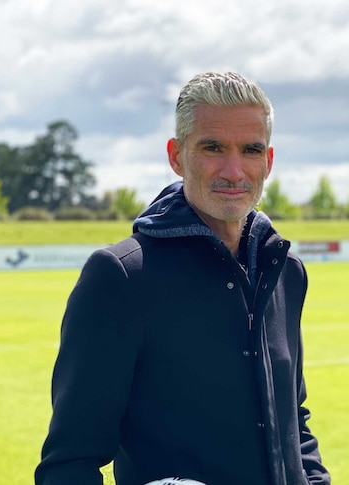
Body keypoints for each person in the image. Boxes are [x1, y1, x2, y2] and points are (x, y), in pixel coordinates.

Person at [35, 72, 330, 485]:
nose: (233, 170)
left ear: (269, 160)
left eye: (250, 150)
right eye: (213, 147)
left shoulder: (285, 271)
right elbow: (69, 464)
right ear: (176, 156)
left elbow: (292, 424)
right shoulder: (120, 277)